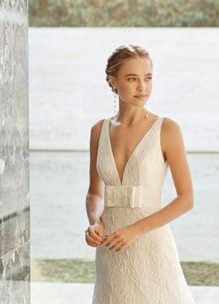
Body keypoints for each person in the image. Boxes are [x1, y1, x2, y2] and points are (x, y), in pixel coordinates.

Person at [85, 44, 196, 303]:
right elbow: (94, 193)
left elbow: (186, 199)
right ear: (112, 81)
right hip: (110, 246)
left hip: (151, 243)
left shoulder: (167, 129)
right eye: (132, 78)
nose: (142, 87)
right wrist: (94, 222)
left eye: (147, 78)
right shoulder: (98, 131)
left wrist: (135, 230)